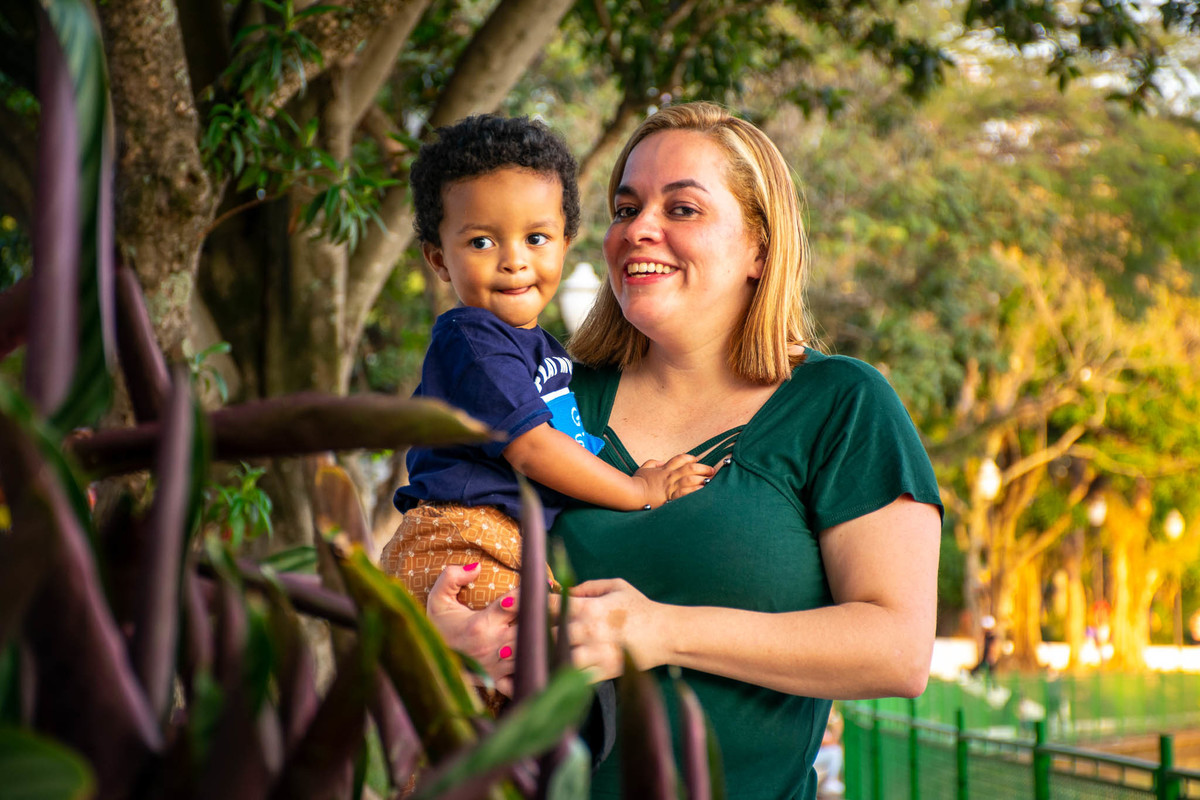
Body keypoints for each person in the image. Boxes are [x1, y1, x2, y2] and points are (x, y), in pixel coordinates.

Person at [425, 102, 943, 799]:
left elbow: (900, 651)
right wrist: (450, 634)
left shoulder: (840, 404)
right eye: (625, 206)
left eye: (683, 209)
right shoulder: (548, 401)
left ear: (760, 246)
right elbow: (446, 535)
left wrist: (660, 632)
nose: (640, 228)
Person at [380, 114, 712, 618]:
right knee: (527, 675)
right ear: (438, 259)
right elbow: (533, 449)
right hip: (461, 540)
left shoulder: (543, 351)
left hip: (504, 542)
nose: (514, 260)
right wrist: (636, 489)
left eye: (536, 238)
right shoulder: (471, 339)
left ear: (565, 242)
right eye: (481, 242)